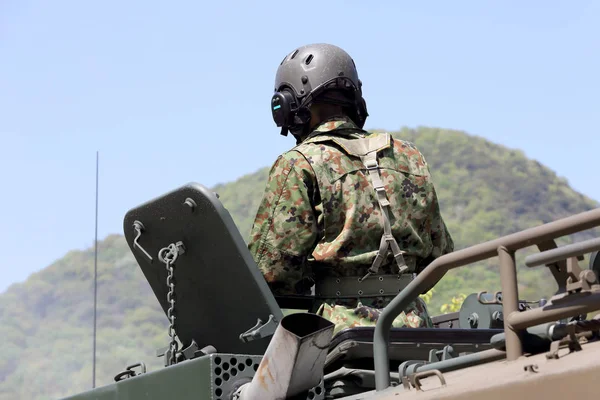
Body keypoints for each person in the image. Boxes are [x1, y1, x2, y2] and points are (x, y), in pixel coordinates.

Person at [248, 43, 454, 335]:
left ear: (290, 103)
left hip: (340, 336)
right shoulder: (409, 157)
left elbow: (271, 271)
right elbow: (439, 254)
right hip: (417, 332)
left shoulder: (300, 163)